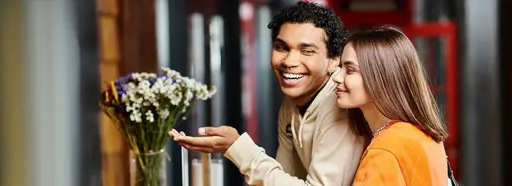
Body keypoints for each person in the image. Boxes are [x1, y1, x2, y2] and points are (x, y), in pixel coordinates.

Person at [169, 2, 367, 186]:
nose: (289, 61)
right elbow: (283, 177)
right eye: (282, 47)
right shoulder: (291, 104)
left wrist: (239, 148)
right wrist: (234, 147)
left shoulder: (341, 106)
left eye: (306, 51)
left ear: (333, 60)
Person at [332, 26, 450, 186]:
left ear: (381, 77)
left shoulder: (385, 150)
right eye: (340, 67)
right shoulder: (425, 134)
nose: (337, 77)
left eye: (350, 70)